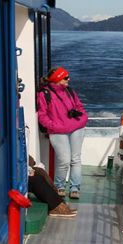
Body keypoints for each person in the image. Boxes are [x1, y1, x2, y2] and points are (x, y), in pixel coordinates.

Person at [36, 66, 88, 199]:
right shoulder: (44, 94)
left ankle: (75, 187)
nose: (68, 79)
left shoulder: (69, 91)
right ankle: (59, 186)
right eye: (65, 77)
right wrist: (54, 126)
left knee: (75, 159)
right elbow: (42, 116)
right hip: (58, 131)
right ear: (57, 79)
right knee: (64, 160)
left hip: (76, 128)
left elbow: (80, 107)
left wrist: (83, 119)